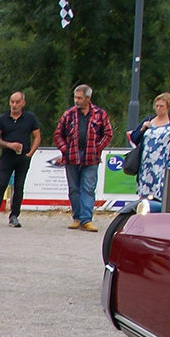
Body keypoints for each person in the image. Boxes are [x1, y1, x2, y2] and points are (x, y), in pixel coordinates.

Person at [52, 84, 113, 231]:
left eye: (79, 98)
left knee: (88, 188)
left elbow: (108, 133)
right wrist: (65, 150)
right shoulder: (68, 114)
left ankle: (86, 219)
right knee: (74, 188)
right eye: (75, 97)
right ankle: (77, 217)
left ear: (88, 98)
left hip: (91, 157)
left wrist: (97, 148)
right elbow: (58, 135)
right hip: (72, 155)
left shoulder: (100, 114)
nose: (76, 100)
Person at [0, 91, 40, 227]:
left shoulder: (30, 118)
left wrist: (30, 153)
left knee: (19, 186)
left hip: (23, 157)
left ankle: (14, 215)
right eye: (12, 102)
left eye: (17, 102)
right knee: (1, 185)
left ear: (23, 103)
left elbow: (37, 136)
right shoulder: (2, 119)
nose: (14, 105)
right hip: (7, 156)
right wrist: (8, 145)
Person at [125, 92, 170, 204]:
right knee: (144, 197)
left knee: (162, 195)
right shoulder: (149, 120)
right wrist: (142, 129)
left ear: (168, 107)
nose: (158, 109)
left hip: (163, 166)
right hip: (146, 166)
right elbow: (134, 138)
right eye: (156, 106)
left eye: (161, 106)